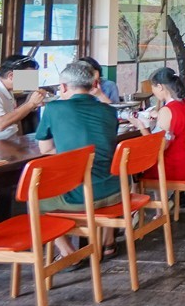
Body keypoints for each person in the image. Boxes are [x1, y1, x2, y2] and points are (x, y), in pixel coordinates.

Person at [36, 61, 122, 259]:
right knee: (102, 166)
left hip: (81, 197)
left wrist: (70, 149)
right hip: (116, 191)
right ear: (94, 85)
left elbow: (46, 149)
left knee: (36, 198)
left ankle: (68, 252)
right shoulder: (109, 111)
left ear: (64, 87)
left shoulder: (54, 109)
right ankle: (108, 241)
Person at [127, 67, 185, 183]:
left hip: (175, 168)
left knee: (132, 160)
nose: (153, 92)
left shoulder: (167, 111)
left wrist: (140, 126)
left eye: (153, 88)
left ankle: (137, 192)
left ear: (160, 87)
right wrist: (159, 115)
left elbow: (156, 147)